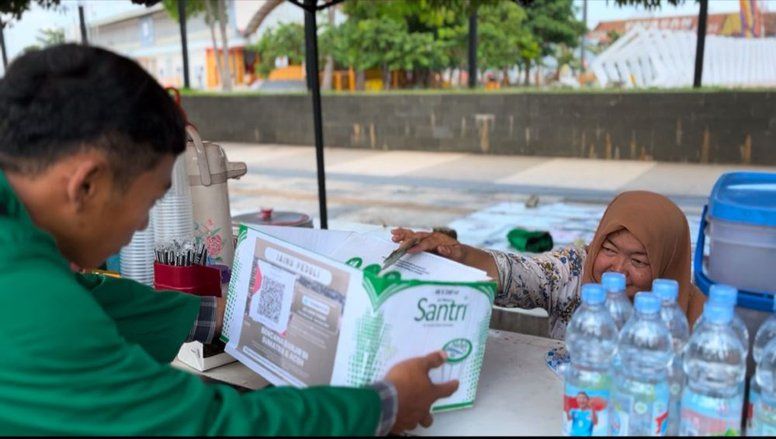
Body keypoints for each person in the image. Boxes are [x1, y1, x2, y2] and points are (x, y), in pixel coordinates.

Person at [0, 44, 457, 435]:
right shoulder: (27, 295)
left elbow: (94, 302)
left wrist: (222, 313)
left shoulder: (19, 253)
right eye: (150, 201)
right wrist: (385, 405)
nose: (142, 227)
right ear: (87, 186)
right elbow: (206, 427)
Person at [392, 191, 706, 339]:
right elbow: (518, 274)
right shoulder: (573, 269)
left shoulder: (694, 316)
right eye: (608, 250)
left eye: (638, 260)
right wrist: (457, 254)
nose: (617, 269)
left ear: (667, 264)